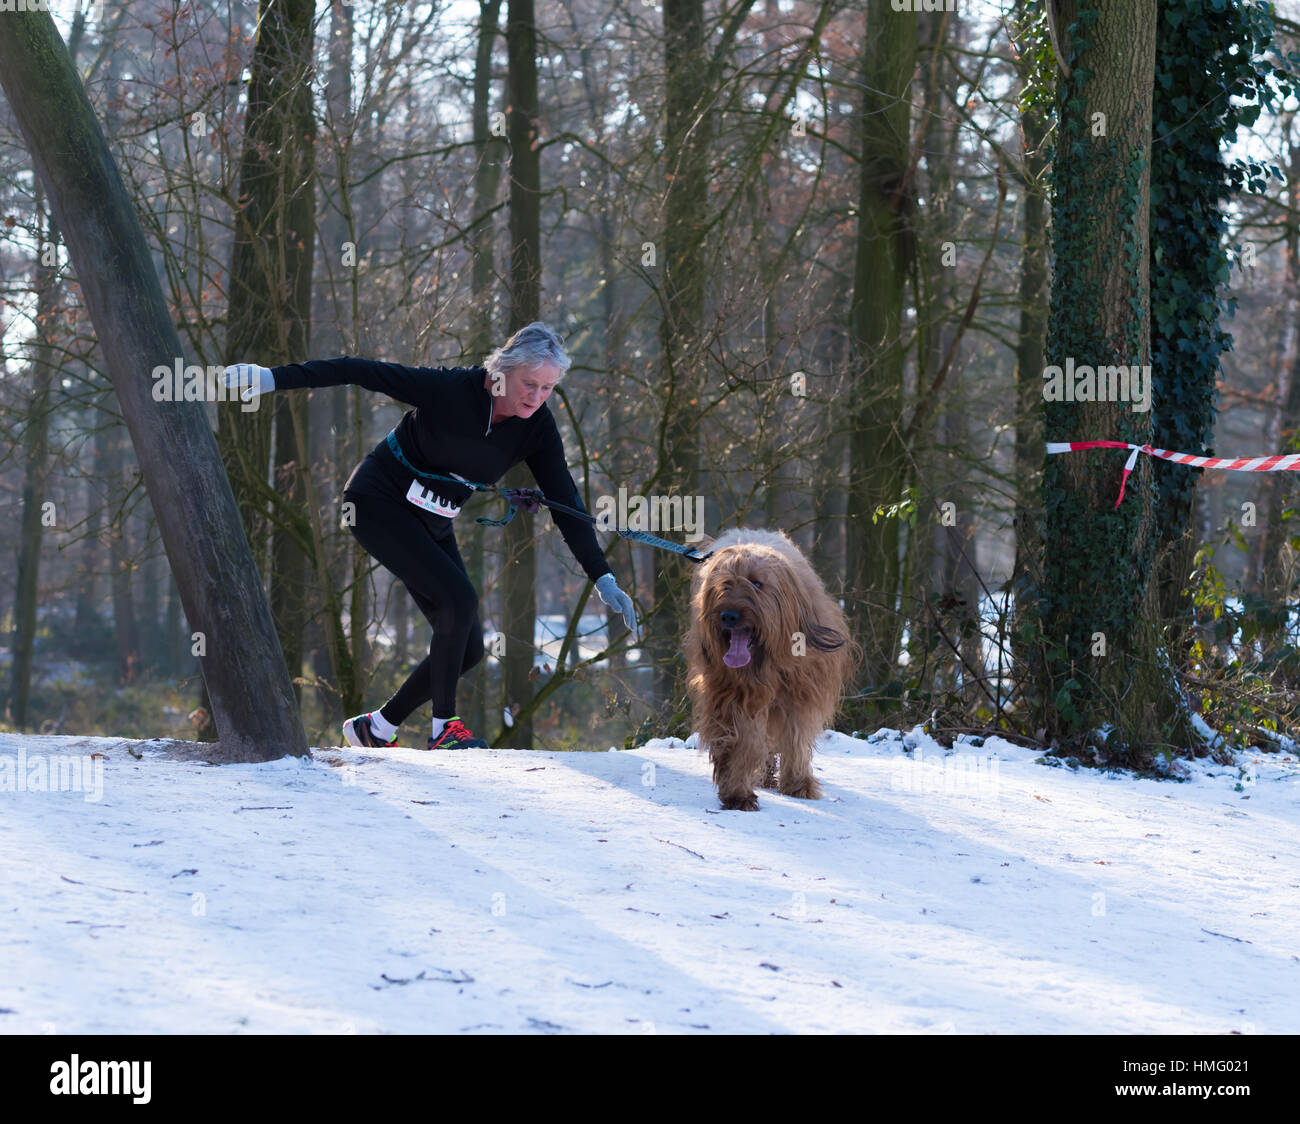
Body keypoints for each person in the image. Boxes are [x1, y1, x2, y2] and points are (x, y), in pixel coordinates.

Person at [223, 321, 637, 750]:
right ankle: (445, 730)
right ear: (502, 370)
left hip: (434, 520)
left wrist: (602, 577)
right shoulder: (451, 389)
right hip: (375, 503)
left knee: (470, 648)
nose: (536, 397)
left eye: (547, 388)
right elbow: (358, 370)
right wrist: (272, 377)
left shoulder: (537, 428)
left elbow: (565, 500)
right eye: (529, 384)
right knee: (459, 599)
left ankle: (377, 727)